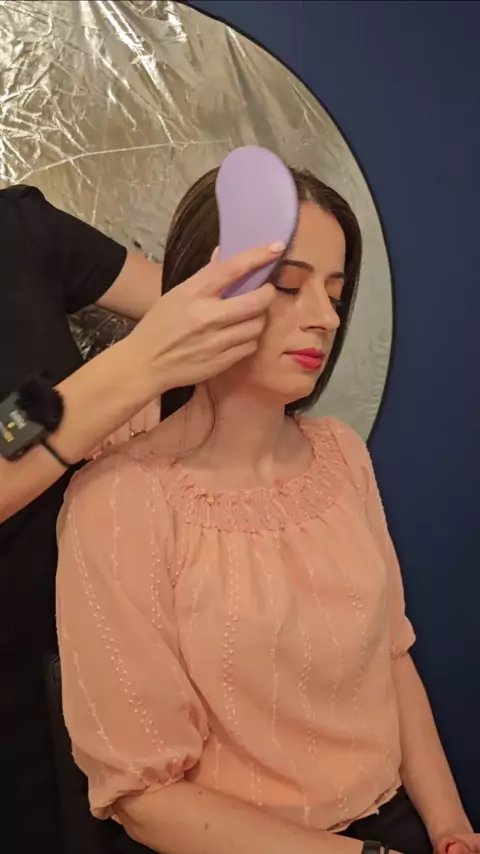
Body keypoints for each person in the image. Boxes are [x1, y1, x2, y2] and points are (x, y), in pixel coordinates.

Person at [56, 168, 477, 854]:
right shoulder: (120, 502)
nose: (326, 318)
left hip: (388, 822)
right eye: (287, 285)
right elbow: (144, 798)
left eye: (335, 294)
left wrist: (451, 828)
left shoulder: (341, 457)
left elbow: (391, 658)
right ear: (202, 289)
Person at [0, 183, 282, 854]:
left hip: (99, 632)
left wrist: (263, 292)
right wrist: (125, 375)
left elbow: (197, 310)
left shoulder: (19, 228)